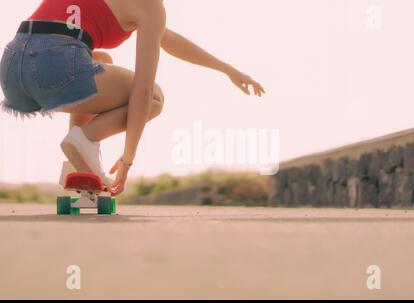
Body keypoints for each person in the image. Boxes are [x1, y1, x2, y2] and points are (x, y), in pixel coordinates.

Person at [0, 0, 266, 195]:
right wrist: (127, 159)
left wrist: (228, 70)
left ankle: (77, 166)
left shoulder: (143, 10)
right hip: (56, 66)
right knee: (155, 98)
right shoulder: (150, 6)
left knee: (99, 60)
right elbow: (143, 89)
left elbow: (167, 38)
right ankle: (85, 139)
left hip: (13, 69)